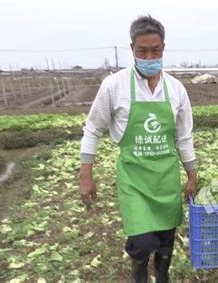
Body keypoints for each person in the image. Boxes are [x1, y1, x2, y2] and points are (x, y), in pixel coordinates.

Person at [78, 14, 196, 283]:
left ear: (163, 48)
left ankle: (162, 276)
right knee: (142, 243)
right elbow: (93, 128)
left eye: (155, 50)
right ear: (132, 49)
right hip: (134, 180)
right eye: (142, 51)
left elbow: (184, 137)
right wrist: (86, 173)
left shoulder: (176, 89)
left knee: (166, 240)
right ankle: (139, 275)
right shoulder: (114, 86)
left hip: (166, 178)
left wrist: (191, 174)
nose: (149, 56)